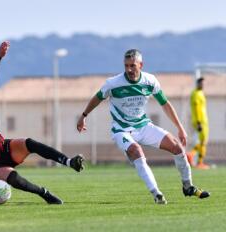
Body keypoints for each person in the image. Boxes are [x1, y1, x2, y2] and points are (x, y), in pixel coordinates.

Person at [0, 41, 84, 204]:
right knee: (11, 176)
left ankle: (70, 162)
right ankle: (44, 193)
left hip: (5, 148)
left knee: (29, 143)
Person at [76, 49, 210, 204]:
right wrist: (83, 116)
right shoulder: (113, 83)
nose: (129, 70)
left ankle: (188, 187)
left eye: (132, 65)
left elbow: (164, 104)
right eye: (126, 66)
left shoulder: (150, 81)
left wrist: (180, 128)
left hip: (144, 126)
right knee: (137, 151)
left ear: (141, 64)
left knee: (177, 147)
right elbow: (97, 98)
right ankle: (156, 193)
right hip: (122, 131)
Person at [186, 77, 210, 169]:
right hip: (200, 121)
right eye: (201, 83)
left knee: (203, 142)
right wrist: (199, 122)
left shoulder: (201, 93)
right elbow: (196, 109)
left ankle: (192, 156)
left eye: (204, 84)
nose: (203, 85)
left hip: (203, 120)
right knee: (203, 142)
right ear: (197, 84)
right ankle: (198, 161)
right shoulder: (195, 94)